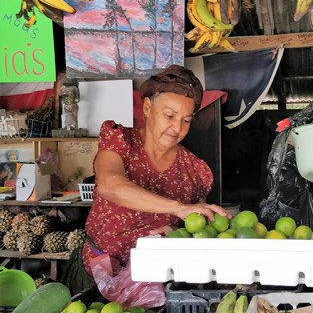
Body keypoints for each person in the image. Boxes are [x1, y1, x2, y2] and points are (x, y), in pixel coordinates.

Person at [62, 64, 231, 295]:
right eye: (169, 116)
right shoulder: (120, 140)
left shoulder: (194, 170)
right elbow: (110, 185)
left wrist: (174, 231)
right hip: (94, 276)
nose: (177, 128)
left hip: (152, 285)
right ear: (148, 107)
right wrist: (178, 207)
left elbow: (192, 227)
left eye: (186, 120)